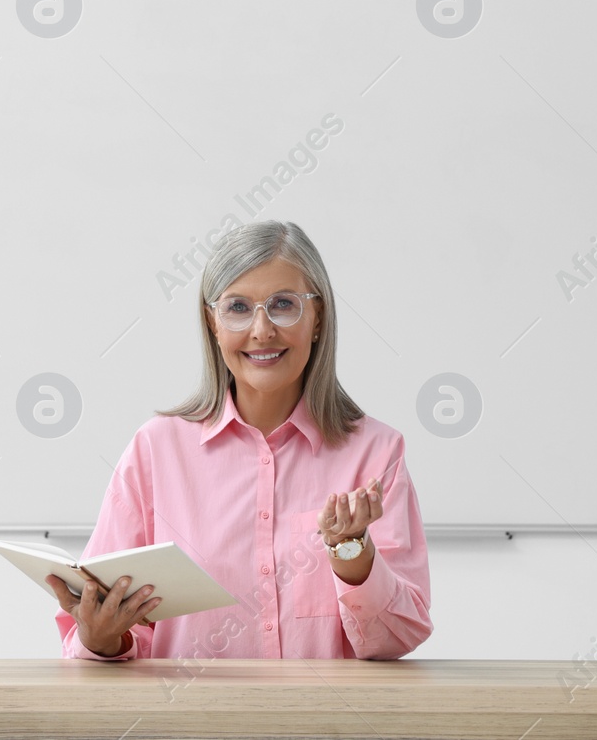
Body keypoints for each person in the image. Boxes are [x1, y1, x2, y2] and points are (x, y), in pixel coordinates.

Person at [48, 219, 432, 660]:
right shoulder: (156, 450)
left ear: (318, 318)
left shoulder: (376, 453)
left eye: (284, 304)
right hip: (190, 726)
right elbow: (106, 637)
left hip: (325, 726)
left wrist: (352, 554)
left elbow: (397, 639)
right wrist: (101, 638)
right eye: (238, 308)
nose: (262, 330)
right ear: (213, 323)